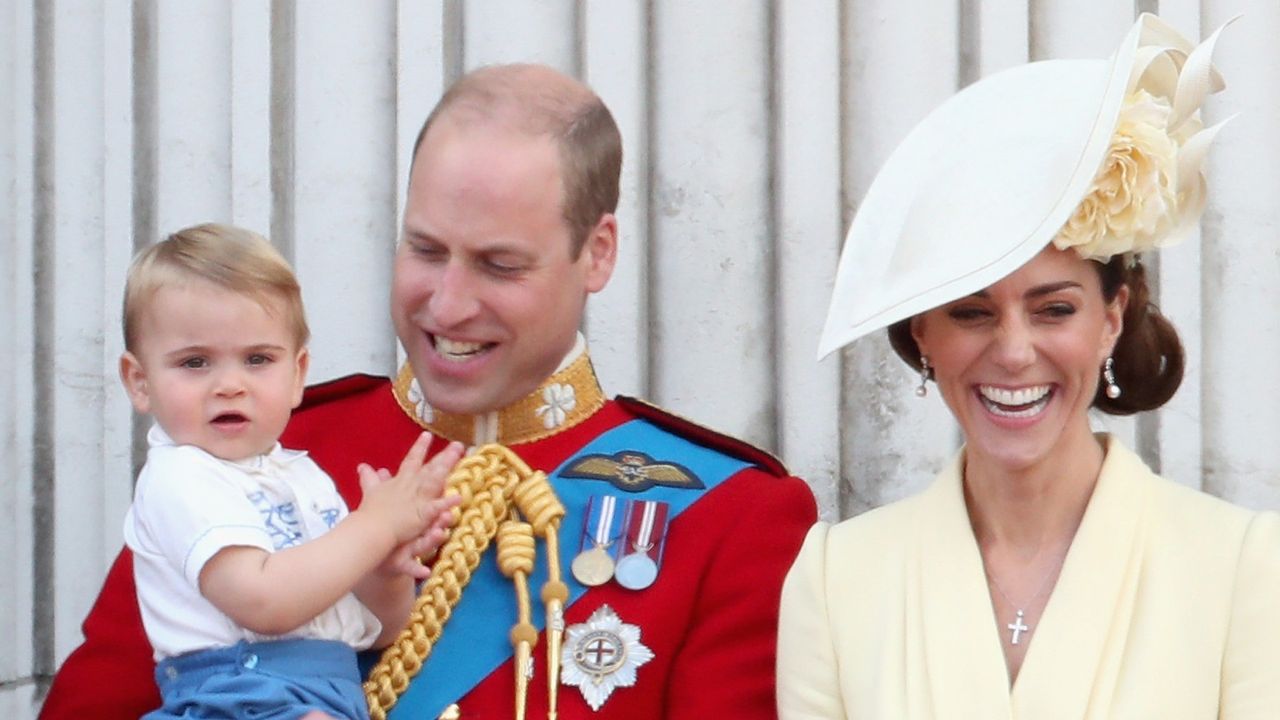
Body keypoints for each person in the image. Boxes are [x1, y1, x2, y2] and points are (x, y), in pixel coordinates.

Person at [41, 64, 817, 720]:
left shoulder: (729, 516)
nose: (446, 306)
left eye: (500, 265)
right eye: (425, 249)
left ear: (597, 253)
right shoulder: (259, 451)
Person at [778, 13, 1280, 719]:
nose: (1013, 352)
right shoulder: (833, 580)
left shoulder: (1242, 567)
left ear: (1112, 318)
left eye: (1053, 310)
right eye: (972, 313)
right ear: (923, 332)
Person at [115, 224, 463, 719]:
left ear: (298, 374)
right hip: (235, 693)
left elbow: (384, 631)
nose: (230, 384)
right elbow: (263, 601)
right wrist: (374, 526)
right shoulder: (180, 477)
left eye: (257, 359)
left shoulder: (304, 478)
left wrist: (385, 570)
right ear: (140, 381)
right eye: (195, 363)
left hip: (327, 692)